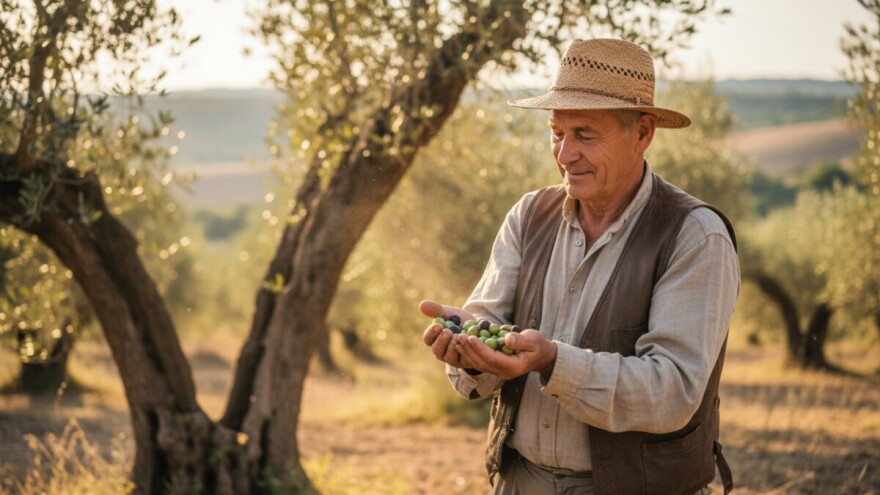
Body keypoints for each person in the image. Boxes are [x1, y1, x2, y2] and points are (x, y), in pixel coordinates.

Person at [420, 38, 739, 495]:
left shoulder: (694, 236)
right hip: (520, 482)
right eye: (556, 133)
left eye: (585, 135)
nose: (564, 154)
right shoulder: (528, 216)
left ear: (643, 133)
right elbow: (488, 330)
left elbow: (672, 391)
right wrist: (470, 352)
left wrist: (553, 361)